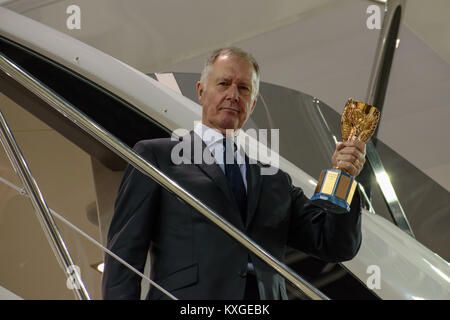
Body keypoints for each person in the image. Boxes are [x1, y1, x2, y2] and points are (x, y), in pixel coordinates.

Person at [102, 47, 366, 300]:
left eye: (243, 88)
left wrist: (345, 175)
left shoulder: (274, 179)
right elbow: (125, 253)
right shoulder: (158, 156)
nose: (233, 94)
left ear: (252, 104)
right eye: (223, 83)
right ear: (201, 91)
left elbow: (333, 244)